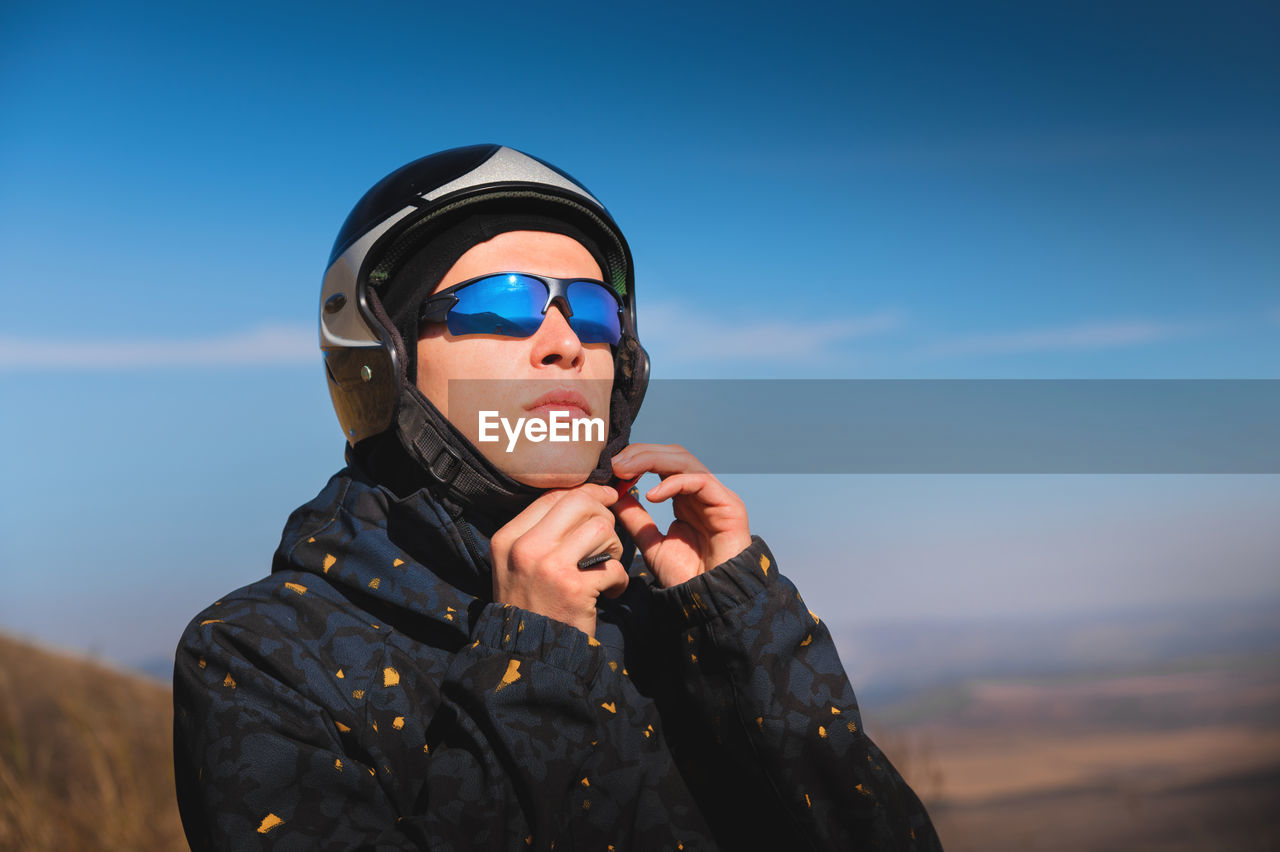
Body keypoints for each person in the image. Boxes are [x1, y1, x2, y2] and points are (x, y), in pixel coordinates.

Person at [173, 144, 941, 851]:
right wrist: (533, 660)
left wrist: (738, 625)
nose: (565, 340)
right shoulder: (263, 656)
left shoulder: (668, 605)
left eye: (594, 310)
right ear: (384, 362)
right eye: (500, 305)